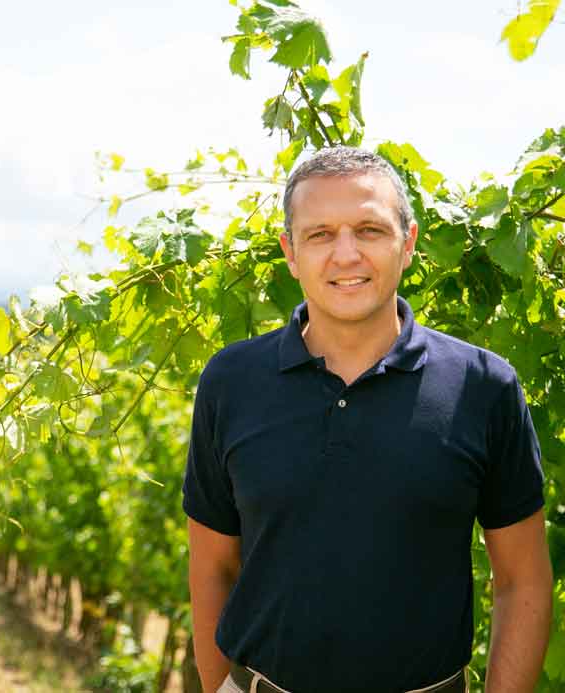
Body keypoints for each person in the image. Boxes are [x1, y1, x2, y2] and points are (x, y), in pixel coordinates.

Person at [182, 147, 552, 693]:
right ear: (290, 252)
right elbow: (212, 568)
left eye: (370, 230)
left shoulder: (484, 386)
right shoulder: (231, 382)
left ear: (408, 243)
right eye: (320, 234)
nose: (346, 254)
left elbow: (522, 581)